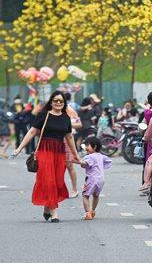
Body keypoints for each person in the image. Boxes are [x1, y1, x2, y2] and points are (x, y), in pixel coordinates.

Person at [12, 91, 82, 222]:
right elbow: (32, 131)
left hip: (59, 152)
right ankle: (54, 212)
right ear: (51, 101)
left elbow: (69, 137)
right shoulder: (43, 115)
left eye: (61, 101)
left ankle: (47, 206)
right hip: (45, 150)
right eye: (55, 100)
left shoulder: (66, 118)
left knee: (57, 181)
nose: (58, 103)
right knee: (48, 179)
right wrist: (19, 148)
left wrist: (76, 155)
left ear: (64, 103)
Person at [80, 136, 112, 220]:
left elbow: (84, 164)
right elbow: (109, 161)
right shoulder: (101, 156)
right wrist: (100, 166)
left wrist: (78, 161)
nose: (86, 147)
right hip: (101, 179)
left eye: (88, 145)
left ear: (94, 147)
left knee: (85, 195)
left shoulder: (89, 157)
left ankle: (88, 213)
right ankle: (92, 211)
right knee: (96, 195)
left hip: (92, 179)